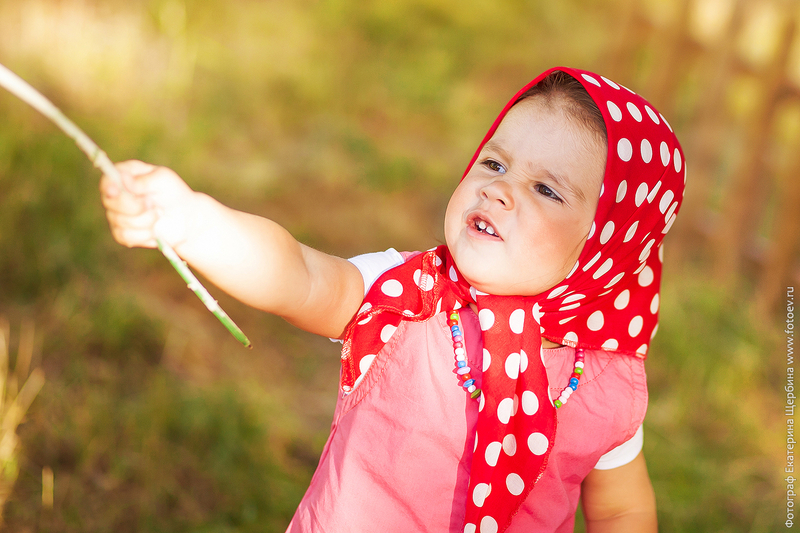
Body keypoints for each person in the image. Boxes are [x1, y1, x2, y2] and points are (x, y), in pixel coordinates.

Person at [100, 66, 684, 533]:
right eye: (494, 162)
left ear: (608, 244)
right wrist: (193, 223)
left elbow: (621, 510)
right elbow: (297, 274)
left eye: (546, 189)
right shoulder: (410, 294)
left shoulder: (605, 382)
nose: (500, 190)